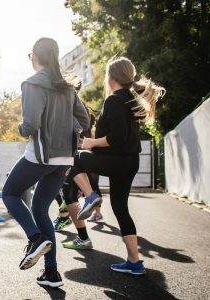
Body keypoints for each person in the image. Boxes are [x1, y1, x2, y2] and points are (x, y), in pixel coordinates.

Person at [1, 37, 89, 288]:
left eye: (31, 55)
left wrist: (20, 128)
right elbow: (84, 121)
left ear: (36, 57)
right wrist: (67, 134)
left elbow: (30, 124)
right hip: (64, 159)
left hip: (41, 155)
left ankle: (35, 238)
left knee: (9, 193)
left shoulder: (31, 83)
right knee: (40, 209)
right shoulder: (68, 88)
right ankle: (51, 273)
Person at [68, 56, 165, 275]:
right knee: (120, 208)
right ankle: (134, 261)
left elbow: (117, 137)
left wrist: (92, 142)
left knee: (72, 160)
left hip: (116, 160)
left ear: (112, 77)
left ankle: (91, 196)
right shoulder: (130, 100)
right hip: (130, 161)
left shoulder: (114, 100)